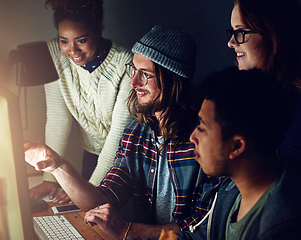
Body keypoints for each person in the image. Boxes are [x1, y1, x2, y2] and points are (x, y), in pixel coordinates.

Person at [25, 24, 221, 239]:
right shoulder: (137, 132)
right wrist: (57, 165)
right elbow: (103, 199)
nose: (134, 82)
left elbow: (204, 229)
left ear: (173, 80)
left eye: (145, 74)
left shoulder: (204, 141)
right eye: (133, 70)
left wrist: (127, 230)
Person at [176, 67, 300, 239]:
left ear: (236, 146)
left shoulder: (282, 227)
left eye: (202, 128)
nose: (192, 137)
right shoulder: (231, 188)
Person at [29, 0, 134, 203]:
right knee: (84, 221)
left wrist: (87, 189)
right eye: (64, 41)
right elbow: (58, 119)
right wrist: (50, 177)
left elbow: (118, 136)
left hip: (127, 159)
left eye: (81, 40)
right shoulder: (54, 54)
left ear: (98, 30)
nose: (73, 51)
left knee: (107, 220)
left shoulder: (125, 62)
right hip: (91, 155)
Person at [226, 0, 301, 161]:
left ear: (272, 34)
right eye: (232, 32)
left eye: (240, 32)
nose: (231, 43)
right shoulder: (251, 101)